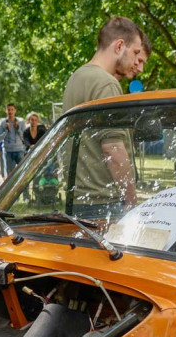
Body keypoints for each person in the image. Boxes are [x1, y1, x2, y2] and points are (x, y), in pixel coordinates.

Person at [62, 16, 146, 215]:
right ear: (119, 46)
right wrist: (131, 201)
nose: (136, 62)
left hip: (79, 198)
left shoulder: (77, 76)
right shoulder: (106, 83)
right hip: (103, 202)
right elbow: (113, 148)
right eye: (135, 52)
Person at [0, 104, 25, 176]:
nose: (10, 111)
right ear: (6, 111)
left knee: (22, 172)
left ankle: (23, 187)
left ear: (15, 111)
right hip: (7, 151)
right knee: (9, 175)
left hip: (19, 150)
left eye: (12, 109)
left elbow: (24, 138)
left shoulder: (21, 121)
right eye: (8, 109)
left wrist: (18, 128)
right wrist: (6, 130)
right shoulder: (2, 122)